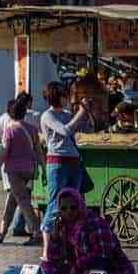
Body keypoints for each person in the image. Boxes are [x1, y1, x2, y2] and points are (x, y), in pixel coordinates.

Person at [41, 188, 137, 274]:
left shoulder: (95, 223)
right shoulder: (63, 226)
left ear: (80, 205)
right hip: (82, 272)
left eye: (73, 208)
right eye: (63, 209)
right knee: (46, 269)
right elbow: (53, 258)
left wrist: (77, 267)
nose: (68, 212)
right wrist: (54, 236)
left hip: (113, 273)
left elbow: (102, 256)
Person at [39, 81, 95, 253]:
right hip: (57, 163)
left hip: (73, 162)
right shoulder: (47, 116)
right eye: (64, 95)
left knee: (74, 204)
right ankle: (47, 249)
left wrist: (88, 113)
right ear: (57, 96)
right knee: (55, 204)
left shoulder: (67, 113)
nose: (67, 98)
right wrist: (80, 113)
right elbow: (65, 131)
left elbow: (88, 128)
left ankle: (71, 245)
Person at [0, 97, 43, 244]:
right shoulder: (32, 129)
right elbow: (38, 151)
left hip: (14, 171)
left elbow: (4, 152)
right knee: (13, 200)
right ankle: (1, 232)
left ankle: (36, 232)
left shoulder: (9, 130)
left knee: (23, 201)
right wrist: (43, 168)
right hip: (29, 170)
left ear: (10, 114)